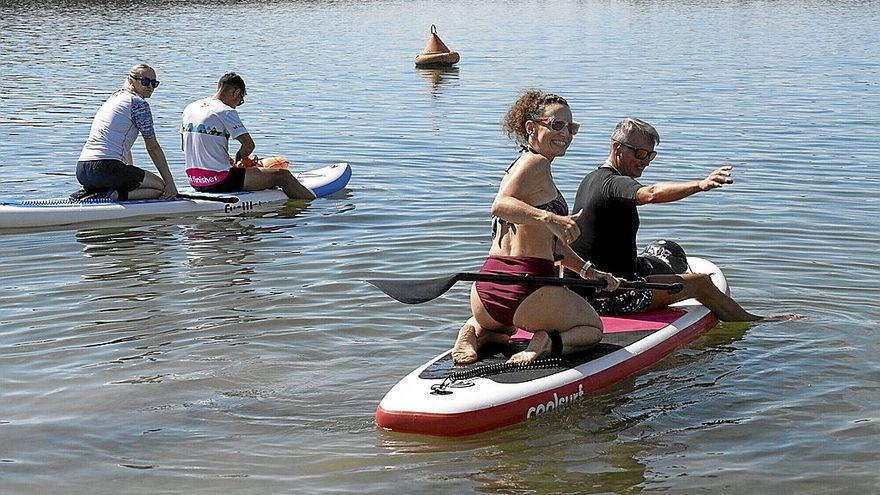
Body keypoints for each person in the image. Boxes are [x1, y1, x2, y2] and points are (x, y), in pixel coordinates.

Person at [451, 90, 621, 366]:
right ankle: (546, 341)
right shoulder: (537, 163)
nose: (566, 133)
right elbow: (500, 205)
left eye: (571, 127)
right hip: (526, 290)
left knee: (504, 331)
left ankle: (477, 330)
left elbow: (552, 245)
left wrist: (589, 271)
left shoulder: (518, 166)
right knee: (591, 330)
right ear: (531, 127)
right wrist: (549, 218)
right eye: (557, 125)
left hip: (486, 292)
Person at [568, 117, 762, 321]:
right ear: (617, 147)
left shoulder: (591, 179)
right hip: (610, 296)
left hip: (589, 290)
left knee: (663, 257)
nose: (645, 161)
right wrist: (700, 184)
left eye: (650, 155)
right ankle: (755, 322)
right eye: (640, 153)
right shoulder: (613, 184)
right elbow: (651, 193)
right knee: (701, 283)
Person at [180, 72, 315, 199]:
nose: (237, 106)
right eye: (240, 101)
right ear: (236, 92)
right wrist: (240, 159)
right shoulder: (225, 110)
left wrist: (223, 160)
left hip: (194, 181)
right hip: (219, 181)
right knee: (283, 176)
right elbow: (249, 145)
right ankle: (314, 207)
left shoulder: (190, 108)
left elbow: (185, 146)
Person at [74, 63, 179, 200]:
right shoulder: (139, 104)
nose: (150, 86)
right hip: (106, 169)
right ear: (130, 81)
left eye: (154, 83)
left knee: (135, 179)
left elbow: (123, 144)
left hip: (82, 170)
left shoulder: (113, 99)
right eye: (145, 81)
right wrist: (170, 184)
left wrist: (129, 178)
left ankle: (99, 194)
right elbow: (153, 148)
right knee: (159, 186)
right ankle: (114, 195)